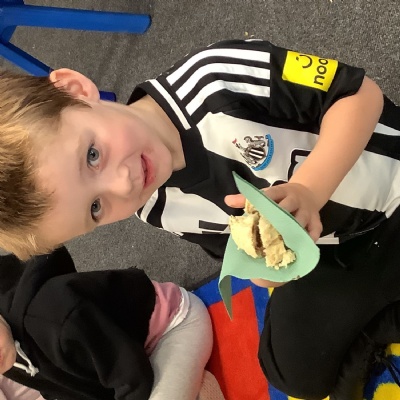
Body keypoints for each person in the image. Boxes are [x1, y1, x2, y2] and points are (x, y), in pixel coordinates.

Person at [0, 38, 398, 398]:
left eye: (92, 156)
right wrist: (266, 270)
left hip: (391, 192)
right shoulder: (153, 206)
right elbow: (234, 247)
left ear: (74, 90)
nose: (123, 184)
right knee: (289, 371)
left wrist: (309, 189)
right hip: (328, 253)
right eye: (96, 208)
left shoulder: (214, 77)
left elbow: (359, 94)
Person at [0, 247, 214, 400]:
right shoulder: (6, 356)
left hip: (174, 325)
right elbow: (65, 387)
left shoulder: (53, 317)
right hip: (130, 353)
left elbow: (133, 378)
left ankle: (203, 387)